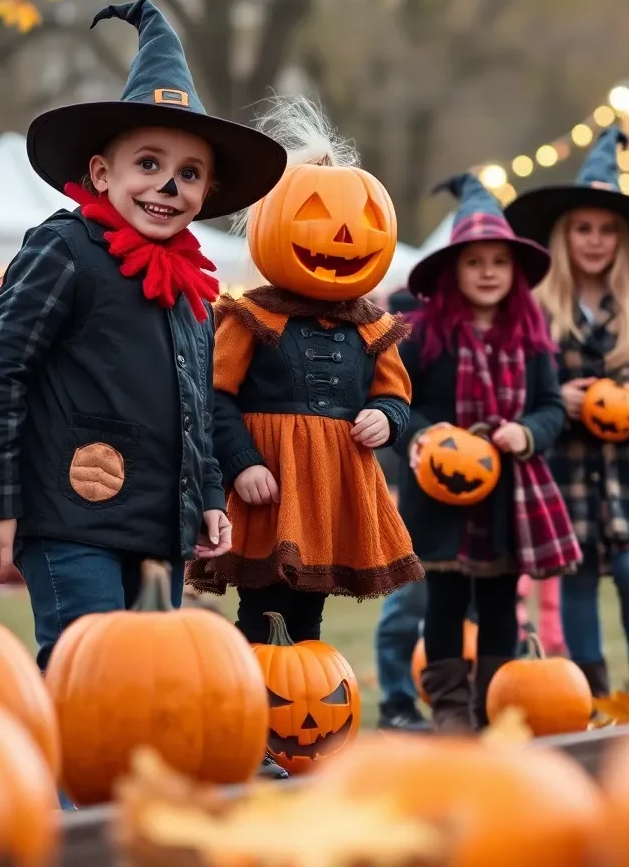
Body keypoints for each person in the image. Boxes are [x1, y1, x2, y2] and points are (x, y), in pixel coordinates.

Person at [0, 0, 286, 670]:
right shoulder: (66, 250)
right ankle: (69, 781)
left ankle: (128, 781)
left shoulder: (194, 289)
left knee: (147, 679)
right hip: (66, 516)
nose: (167, 184)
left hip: (154, 526)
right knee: (92, 669)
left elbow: (192, 404)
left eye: (188, 174)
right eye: (148, 164)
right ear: (102, 174)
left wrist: (206, 495)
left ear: (206, 193)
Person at [186, 97, 423, 760]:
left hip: (329, 490)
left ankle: (289, 737)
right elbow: (215, 398)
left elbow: (396, 394)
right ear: (274, 226)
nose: (342, 237)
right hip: (268, 484)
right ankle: (248, 730)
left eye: (362, 223)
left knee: (307, 614)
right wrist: (241, 462)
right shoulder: (250, 318)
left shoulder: (372, 326)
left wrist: (387, 418)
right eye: (317, 219)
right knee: (259, 606)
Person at [504, 126, 629, 698]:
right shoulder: (540, 305)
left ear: (623, 239)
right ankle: (588, 688)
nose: (594, 241)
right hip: (569, 459)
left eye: (607, 230)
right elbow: (523, 377)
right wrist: (556, 399)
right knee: (578, 577)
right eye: (583, 229)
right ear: (565, 236)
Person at [397, 171, 578, 732]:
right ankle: (451, 707)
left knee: (501, 604)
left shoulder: (531, 337)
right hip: (441, 487)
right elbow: (399, 401)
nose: (487, 273)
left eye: (498, 263)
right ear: (454, 270)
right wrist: (425, 434)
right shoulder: (423, 334)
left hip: (508, 492)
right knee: (446, 603)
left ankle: (491, 706)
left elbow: (552, 405)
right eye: (475, 263)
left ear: (514, 271)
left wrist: (528, 432)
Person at [372, 288, 431, 732]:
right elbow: (401, 405)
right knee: (408, 598)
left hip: (481, 487)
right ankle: (397, 699)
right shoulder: (408, 334)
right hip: (418, 491)